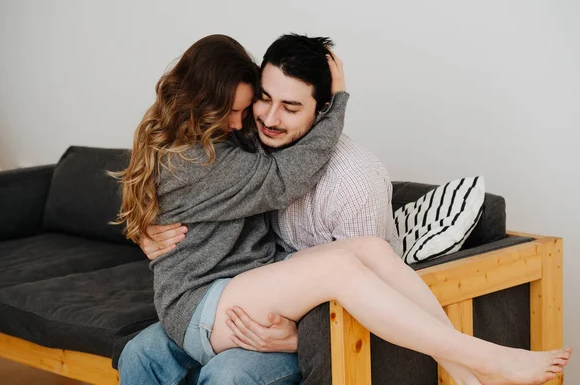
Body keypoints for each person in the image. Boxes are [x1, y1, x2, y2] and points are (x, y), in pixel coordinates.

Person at [117, 34, 571, 385]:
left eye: (247, 107)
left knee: (371, 249)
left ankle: (466, 371)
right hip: (203, 305)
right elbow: (283, 179)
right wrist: (340, 103)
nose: (250, 122)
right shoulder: (194, 161)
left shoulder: (221, 137)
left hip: (237, 287)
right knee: (343, 273)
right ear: (202, 103)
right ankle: (483, 357)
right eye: (238, 110)